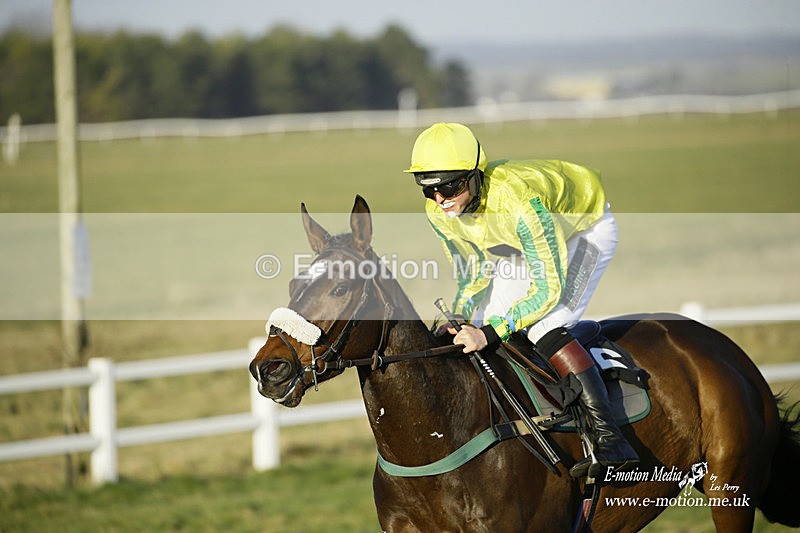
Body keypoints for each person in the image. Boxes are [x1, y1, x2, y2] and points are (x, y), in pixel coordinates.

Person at [404, 122, 638, 476]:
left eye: (449, 186)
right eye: (430, 191)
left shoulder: (518, 200)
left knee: (545, 323)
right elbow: (474, 269)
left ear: (474, 176)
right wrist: (462, 315)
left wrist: (492, 333)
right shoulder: (440, 212)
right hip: (519, 244)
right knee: (482, 319)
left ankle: (611, 440)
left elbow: (547, 290)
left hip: (585, 229)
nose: (440, 199)